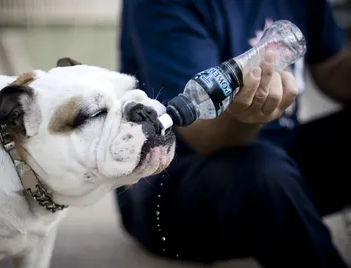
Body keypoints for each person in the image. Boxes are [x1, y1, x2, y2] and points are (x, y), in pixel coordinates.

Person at [115, 0, 351, 267]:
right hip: (178, 188)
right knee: (265, 173)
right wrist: (246, 118)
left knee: (274, 169)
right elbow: (201, 135)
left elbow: (331, 68)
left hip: (283, 158)